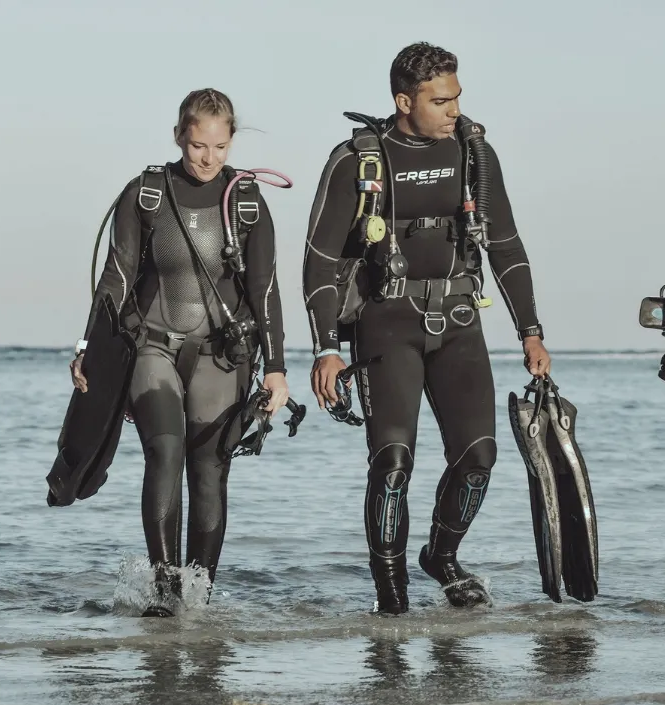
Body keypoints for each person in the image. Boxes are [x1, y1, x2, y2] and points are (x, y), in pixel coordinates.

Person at [302, 42, 551, 614]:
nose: (453, 110)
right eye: (440, 101)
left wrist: (530, 331)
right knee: (392, 464)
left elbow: (506, 244)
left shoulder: (473, 152)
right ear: (404, 101)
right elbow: (319, 260)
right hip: (386, 323)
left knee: (479, 459)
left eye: (457, 97)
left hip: (459, 320)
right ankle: (391, 600)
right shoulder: (357, 160)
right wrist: (325, 348)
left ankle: (442, 556)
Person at [69, 88, 290, 617]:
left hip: (221, 356)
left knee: (209, 469)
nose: (207, 158)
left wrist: (277, 368)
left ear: (231, 141)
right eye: (196, 146)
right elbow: (116, 277)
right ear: (178, 137)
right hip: (153, 347)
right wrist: (88, 347)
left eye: (219, 146)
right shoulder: (145, 194)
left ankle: (199, 597)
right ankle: (167, 592)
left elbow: (265, 289)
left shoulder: (246, 202)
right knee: (165, 453)